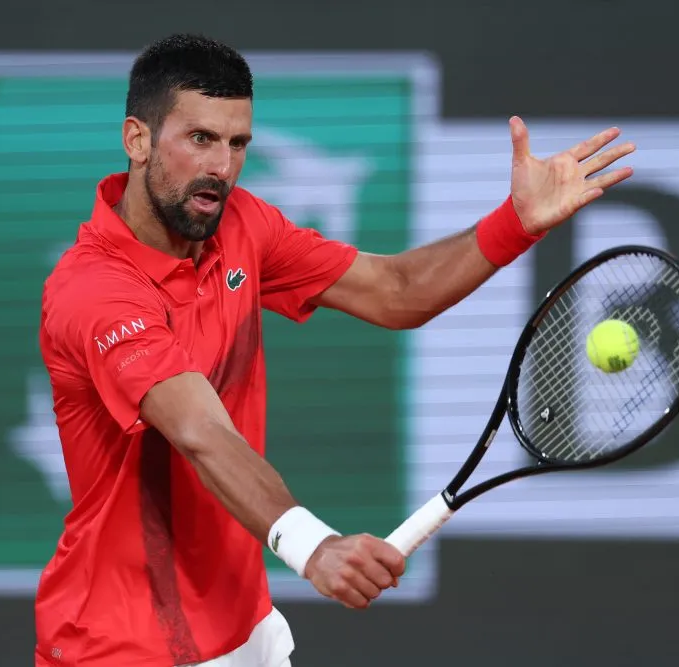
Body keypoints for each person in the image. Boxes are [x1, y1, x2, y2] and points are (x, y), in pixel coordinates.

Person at [33, 33, 635, 667]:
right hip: (119, 645)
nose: (222, 167)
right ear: (138, 140)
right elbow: (199, 430)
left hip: (242, 630)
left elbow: (397, 290)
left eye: (238, 143)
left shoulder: (242, 226)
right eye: (200, 139)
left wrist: (516, 222)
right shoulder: (94, 290)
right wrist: (311, 545)